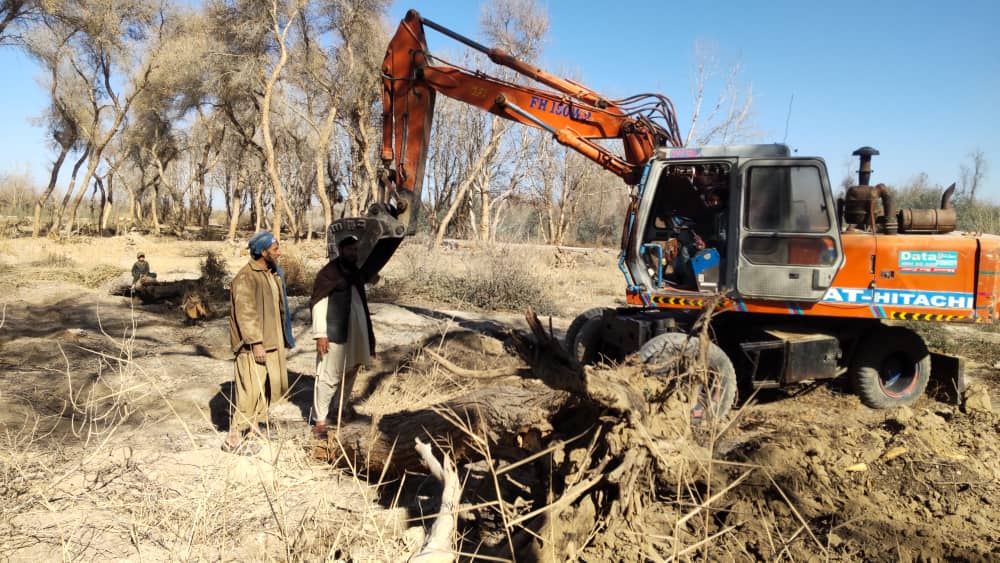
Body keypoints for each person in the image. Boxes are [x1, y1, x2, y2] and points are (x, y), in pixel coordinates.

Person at [224, 231, 296, 453]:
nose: (279, 252)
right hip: (253, 346)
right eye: (275, 249)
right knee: (250, 390)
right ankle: (233, 438)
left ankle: (253, 429)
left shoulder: (270, 273)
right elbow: (246, 314)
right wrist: (256, 343)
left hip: (271, 342)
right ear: (263, 252)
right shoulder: (246, 277)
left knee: (263, 389)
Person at [309, 235, 376, 437]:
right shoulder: (329, 273)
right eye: (349, 250)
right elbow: (318, 303)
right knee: (329, 376)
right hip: (334, 334)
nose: (353, 253)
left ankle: (340, 408)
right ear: (340, 250)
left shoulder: (354, 272)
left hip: (356, 336)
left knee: (351, 371)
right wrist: (321, 334)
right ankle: (320, 420)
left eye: (355, 250)